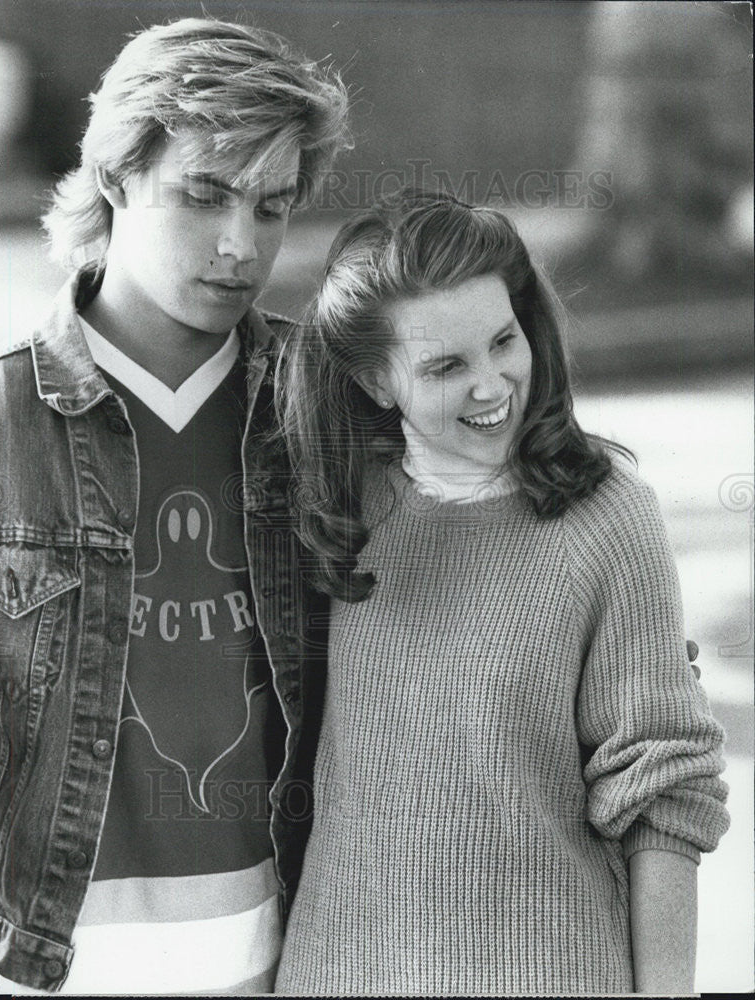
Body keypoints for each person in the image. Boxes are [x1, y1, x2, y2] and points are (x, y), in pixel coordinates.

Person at [274, 190, 730, 996]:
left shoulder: (608, 517)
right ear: (377, 383)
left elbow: (666, 792)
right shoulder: (337, 509)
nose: (493, 387)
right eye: (446, 366)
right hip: (337, 971)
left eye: (502, 341)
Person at [0, 17, 348, 995]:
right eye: (204, 194)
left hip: (284, 945)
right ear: (116, 176)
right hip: (50, 960)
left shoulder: (322, 405)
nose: (241, 246)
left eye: (270, 207)